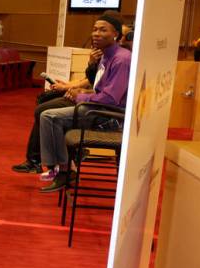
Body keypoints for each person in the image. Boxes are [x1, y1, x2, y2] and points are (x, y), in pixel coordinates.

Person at [37, 14, 131, 192]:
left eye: (103, 30)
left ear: (116, 34)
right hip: (97, 107)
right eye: (95, 29)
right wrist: (83, 91)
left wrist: (81, 96)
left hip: (109, 116)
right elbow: (100, 90)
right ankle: (65, 166)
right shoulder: (105, 55)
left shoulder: (121, 59)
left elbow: (111, 98)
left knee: (49, 116)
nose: (96, 34)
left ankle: (64, 171)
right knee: (48, 109)